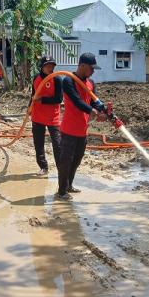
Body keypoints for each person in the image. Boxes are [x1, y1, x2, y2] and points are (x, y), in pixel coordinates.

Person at [56, 53, 104, 201]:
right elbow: (76, 101)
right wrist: (93, 111)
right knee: (66, 161)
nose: (93, 71)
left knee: (76, 160)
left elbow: (94, 101)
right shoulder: (68, 81)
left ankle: (69, 185)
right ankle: (62, 191)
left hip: (82, 130)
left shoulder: (91, 83)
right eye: (91, 68)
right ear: (82, 66)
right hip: (69, 129)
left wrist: (103, 111)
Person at [30, 55, 62, 176]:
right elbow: (33, 95)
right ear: (41, 67)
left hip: (52, 117)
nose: (50, 68)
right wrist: (30, 108)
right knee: (38, 143)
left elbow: (59, 99)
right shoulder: (36, 78)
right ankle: (43, 167)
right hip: (37, 116)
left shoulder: (57, 79)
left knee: (58, 144)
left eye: (52, 66)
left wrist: (42, 100)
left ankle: (61, 169)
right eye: (47, 66)